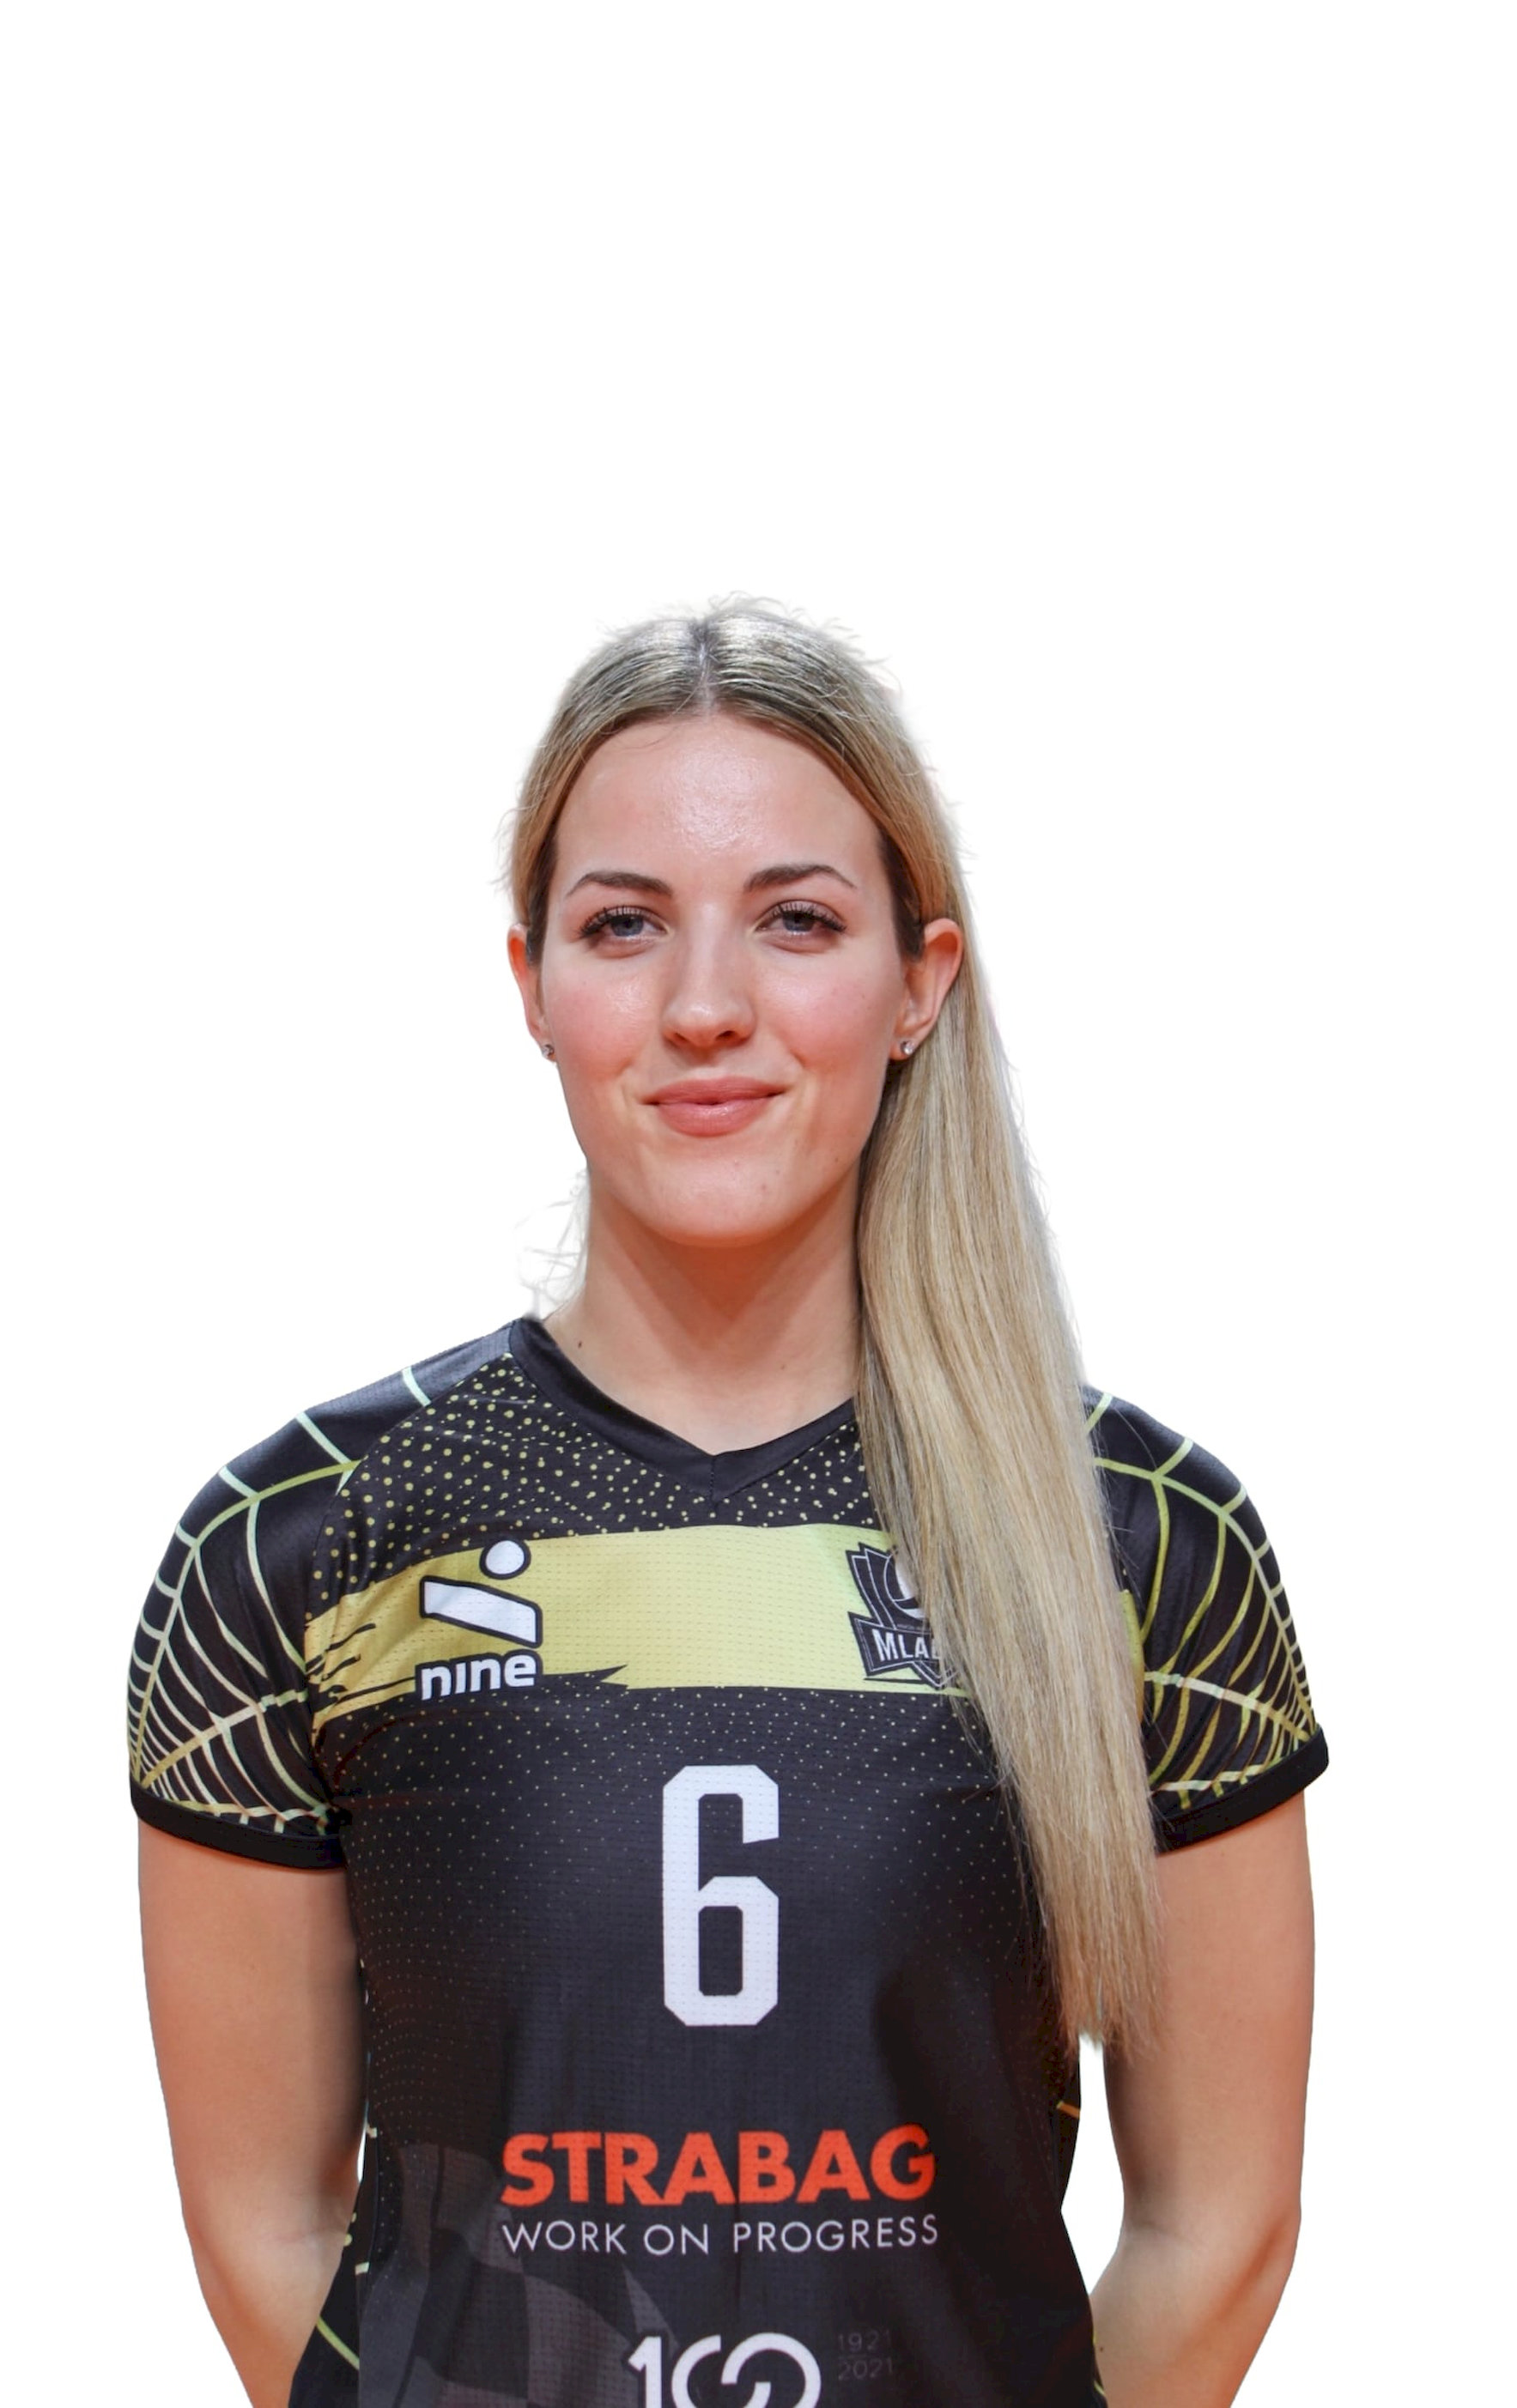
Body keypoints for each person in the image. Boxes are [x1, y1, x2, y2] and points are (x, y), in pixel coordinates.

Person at [130, 598, 1326, 2408]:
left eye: (797, 921)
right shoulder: (301, 1538)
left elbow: (1211, 2226)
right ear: (531, 982)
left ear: (920, 982)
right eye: (624, 926)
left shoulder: (1140, 1540)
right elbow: (262, 2227)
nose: (705, 1008)